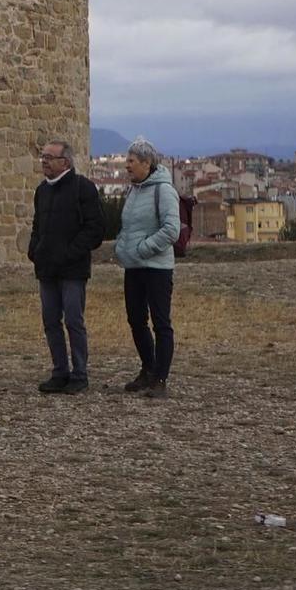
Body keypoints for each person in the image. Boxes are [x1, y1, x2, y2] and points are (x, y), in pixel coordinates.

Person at [29, 137, 105, 396]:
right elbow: (37, 225)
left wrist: (69, 253)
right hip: (47, 269)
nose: (44, 162)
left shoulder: (83, 189)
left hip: (72, 270)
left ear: (66, 162)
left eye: (49, 158)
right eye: (43, 157)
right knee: (50, 321)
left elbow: (94, 230)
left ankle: (79, 373)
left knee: (74, 321)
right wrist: (35, 251)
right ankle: (59, 371)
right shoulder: (42, 190)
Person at [114, 136, 180, 399]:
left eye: (131, 161)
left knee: (161, 323)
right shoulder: (134, 189)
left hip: (157, 268)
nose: (126, 165)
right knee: (136, 320)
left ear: (146, 163)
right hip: (134, 267)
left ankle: (160, 379)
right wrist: (122, 246)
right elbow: (128, 225)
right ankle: (148, 369)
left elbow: (171, 230)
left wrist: (143, 248)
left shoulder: (163, 190)